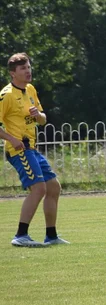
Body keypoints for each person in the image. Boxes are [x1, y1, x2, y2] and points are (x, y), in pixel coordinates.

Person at [1, 53, 66, 247]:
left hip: (32, 148)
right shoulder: (6, 95)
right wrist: (12, 138)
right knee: (39, 188)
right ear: (13, 73)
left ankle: (51, 236)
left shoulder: (30, 89)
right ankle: (21, 235)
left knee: (53, 187)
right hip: (18, 149)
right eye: (23, 69)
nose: (28, 71)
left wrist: (38, 114)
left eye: (28, 67)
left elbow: (43, 120)